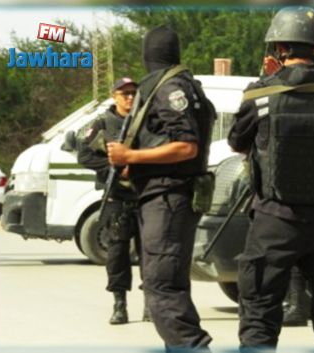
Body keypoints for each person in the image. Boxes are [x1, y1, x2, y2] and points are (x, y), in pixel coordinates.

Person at [228, 6, 314, 352]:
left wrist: (267, 82)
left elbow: (237, 141)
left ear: (279, 49)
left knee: (259, 312)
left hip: (275, 219)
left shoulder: (261, 95)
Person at [106, 25, 213, 352]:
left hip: (167, 198)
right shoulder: (184, 85)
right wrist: (134, 163)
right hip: (167, 196)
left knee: (160, 288)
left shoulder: (169, 89)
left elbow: (186, 147)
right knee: (172, 287)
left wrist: (132, 155)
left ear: (150, 55)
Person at [77, 77, 147, 325]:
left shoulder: (146, 119)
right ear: (114, 96)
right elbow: (84, 154)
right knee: (117, 253)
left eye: (133, 93)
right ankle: (120, 304)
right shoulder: (103, 123)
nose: (129, 97)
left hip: (145, 195)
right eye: (124, 93)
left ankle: (151, 303)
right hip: (117, 197)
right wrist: (112, 167)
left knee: (149, 251)